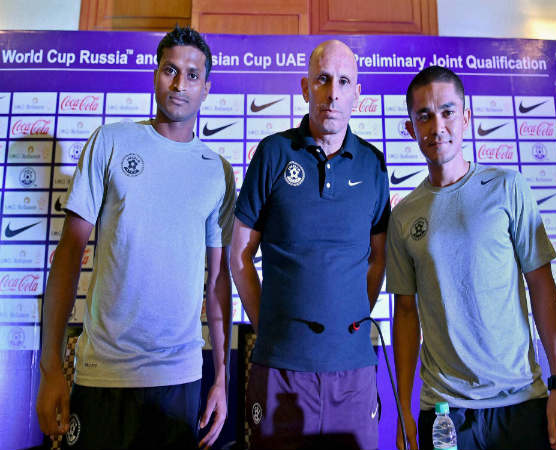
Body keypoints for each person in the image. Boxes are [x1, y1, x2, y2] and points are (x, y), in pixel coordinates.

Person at [35, 26, 235, 450]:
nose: (180, 84)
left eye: (193, 75)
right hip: (102, 374)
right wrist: (51, 368)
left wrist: (222, 377)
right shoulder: (110, 141)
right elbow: (68, 256)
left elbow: (218, 281)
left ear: (206, 88)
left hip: (179, 380)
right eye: (170, 70)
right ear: (155, 75)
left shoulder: (216, 170)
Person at [386, 65, 556, 450]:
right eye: (424, 116)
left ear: (466, 118)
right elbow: (405, 313)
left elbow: (542, 286)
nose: (437, 126)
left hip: (521, 402)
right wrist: (403, 408)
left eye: (447, 111)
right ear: (410, 129)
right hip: (445, 412)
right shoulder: (404, 216)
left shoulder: (508, 188)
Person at [230, 40, 390, 450]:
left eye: (344, 82)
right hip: (280, 367)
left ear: (357, 93)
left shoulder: (374, 164)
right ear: (305, 88)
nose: (333, 93)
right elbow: (240, 253)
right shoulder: (273, 152)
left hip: (353, 371)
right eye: (323, 79)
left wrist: (350, 316)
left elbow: (379, 259)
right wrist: (268, 325)